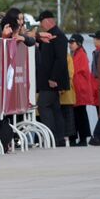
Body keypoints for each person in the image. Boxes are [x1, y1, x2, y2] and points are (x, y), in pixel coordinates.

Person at [34, 11, 71, 147]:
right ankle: (58, 138)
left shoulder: (58, 36)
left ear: (48, 21)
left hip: (51, 80)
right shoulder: (50, 36)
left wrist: (53, 78)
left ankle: (51, 137)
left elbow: (60, 59)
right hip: (47, 79)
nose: (40, 25)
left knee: (43, 105)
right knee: (55, 108)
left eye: (41, 22)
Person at [69, 34, 97, 147]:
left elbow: (74, 71)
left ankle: (82, 138)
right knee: (78, 114)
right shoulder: (77, 54)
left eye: (72, 43)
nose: (70, 45)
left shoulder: (80, 55)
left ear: (79, 43)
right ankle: (81, 138)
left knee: (80, 114)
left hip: (79, 89)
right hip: (78, 88)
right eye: (70, 43)